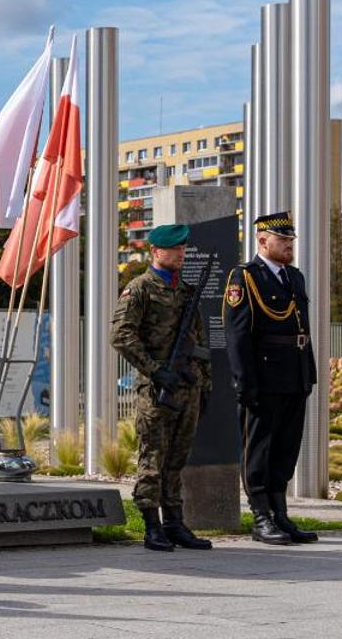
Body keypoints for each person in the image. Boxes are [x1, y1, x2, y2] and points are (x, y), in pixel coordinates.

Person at [111, 223, 212, 552]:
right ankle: (151, 526)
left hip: (187, 388)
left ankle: (175, 523)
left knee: (177, 461)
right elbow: (121, 336)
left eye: (183, 249)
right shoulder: (140, 289)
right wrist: (155, 371)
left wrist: (204, 385)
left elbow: (200, 342)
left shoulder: (186, 291)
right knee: (152, 460)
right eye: (174, 249)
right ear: (155, 251)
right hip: (156, 392)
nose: (181, 253)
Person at [223, 211, 320, 546]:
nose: (289, 246)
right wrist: (244, 382)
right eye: (283, 241)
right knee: (260, 448)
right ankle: (261, 516)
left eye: (291, 241)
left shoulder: (295, 277)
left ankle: (280, 513)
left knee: (285, 447)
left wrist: (308, 373)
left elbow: (301, 329)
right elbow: (237, 335)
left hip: (294, 375)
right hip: (263, 378)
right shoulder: (245, 277)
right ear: (263, 241)